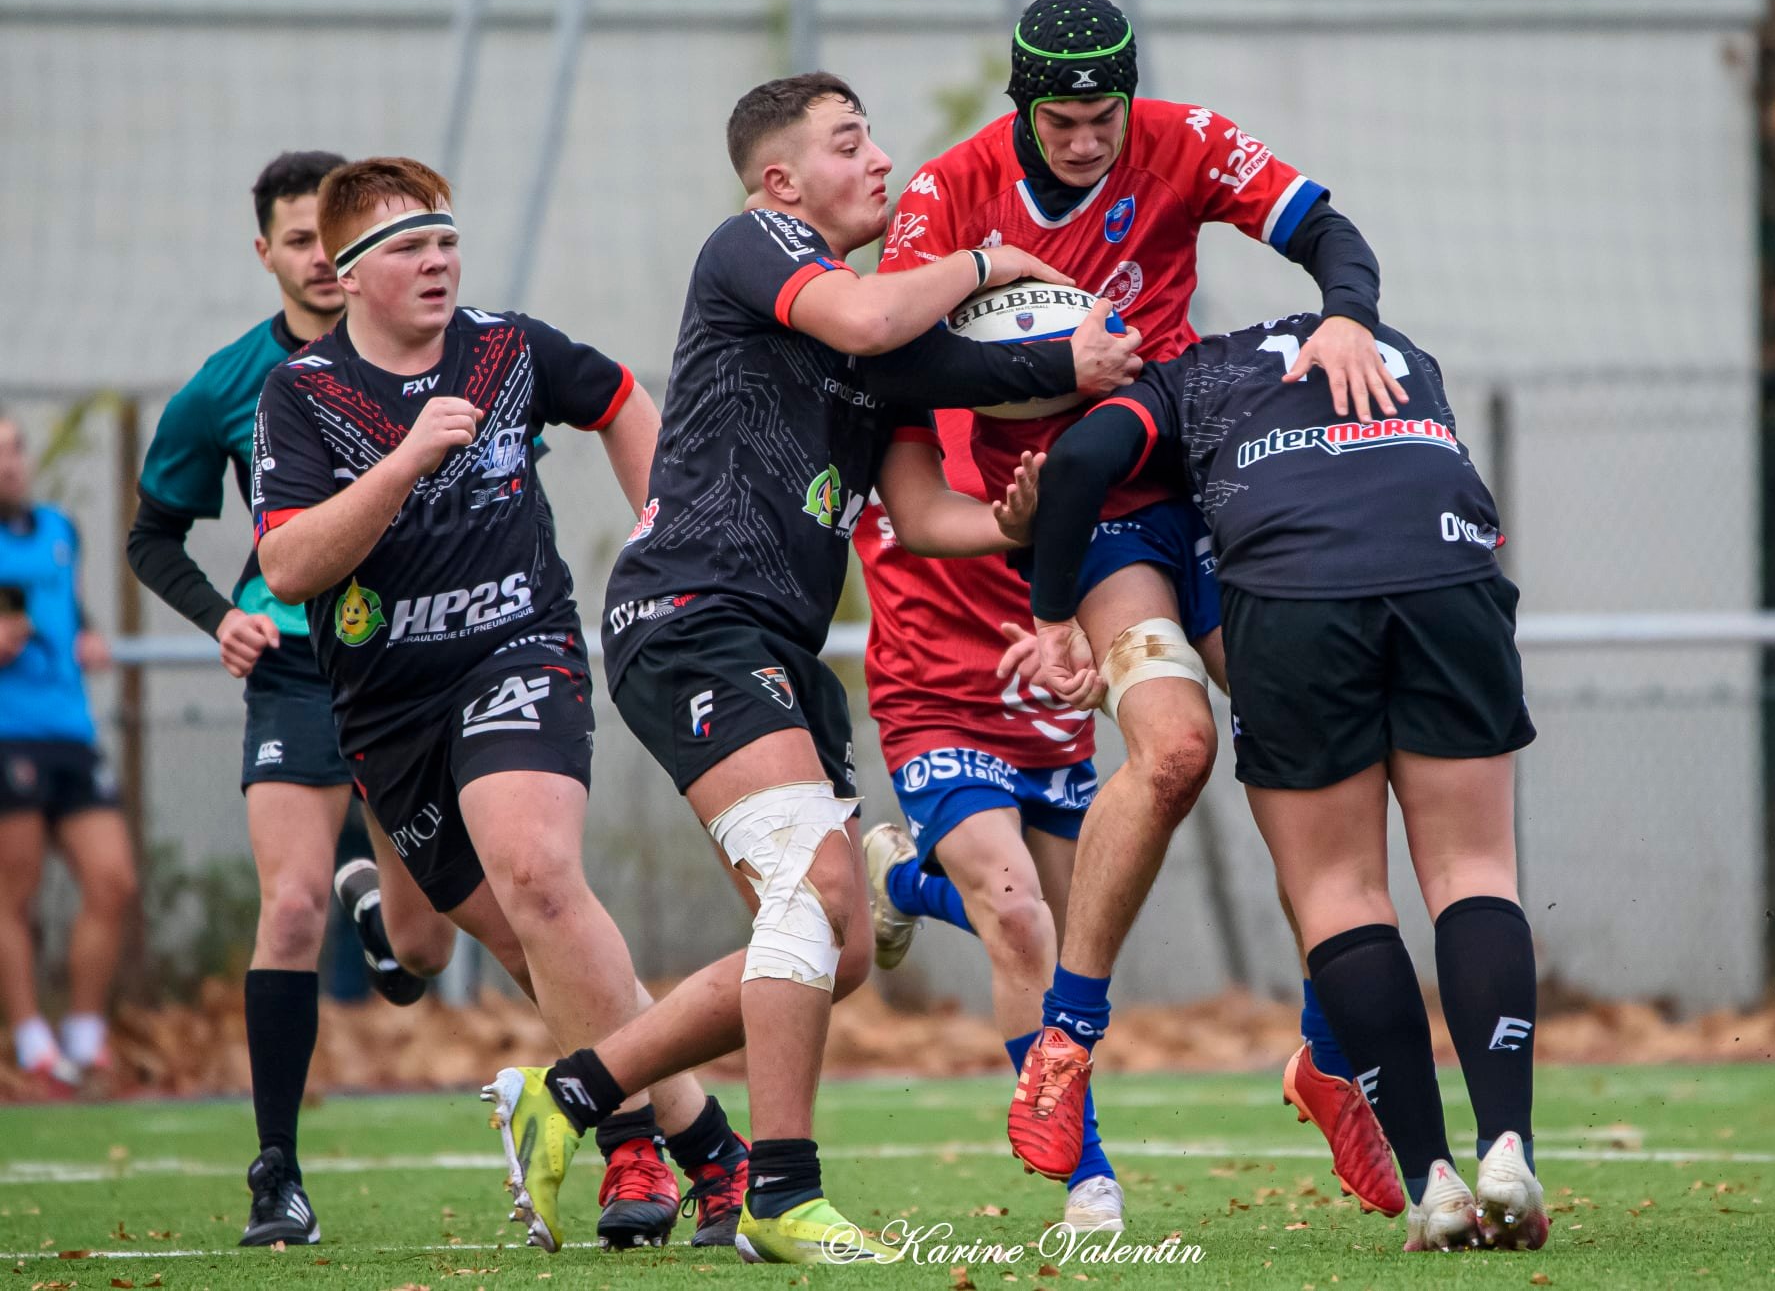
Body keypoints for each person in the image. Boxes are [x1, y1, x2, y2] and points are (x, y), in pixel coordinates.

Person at [479, 71, 1142, 1266]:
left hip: (770, 645)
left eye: (875, 138)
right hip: (692, 612)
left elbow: (928, 511)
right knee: (819, 887)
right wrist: (994, 259)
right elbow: (872, 320)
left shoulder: (880, 343)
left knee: (831, 947)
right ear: (783, 180)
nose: (881, 160)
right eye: (851, 143)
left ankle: (571, 1092)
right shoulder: (758, 245)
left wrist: (1029, 505)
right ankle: (781, 1192)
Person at [868, 0, 1402, 1212]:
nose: (1085, 139)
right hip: (1090, 516)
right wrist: (1051, 366)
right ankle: (1067, 1036)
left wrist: (1348, 320)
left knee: (1322, 742)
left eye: (1101, 114)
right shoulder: (949, 193)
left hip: (1212, 478)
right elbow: (895, 359)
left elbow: (1329, 232)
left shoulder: (1185, 138)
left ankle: (1327, 1054)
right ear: (1023, 106)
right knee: (1172, 755)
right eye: (1060, 121)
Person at [250, 156, 748, 1253]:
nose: (438, 263)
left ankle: (625, 1147)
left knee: (541, 879)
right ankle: (713, 1151)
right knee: (544, 952)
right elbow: (288, 568)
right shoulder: (301, 396)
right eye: (409, 248)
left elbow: (620, 397)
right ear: (345, 271)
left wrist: (667, 542)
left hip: (517, 653)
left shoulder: (506, 347)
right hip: (388, 714)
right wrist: (403, 460)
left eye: (445, 240)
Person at [1026, 313, 1547, 1253]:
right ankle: (1507, 1144)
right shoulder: (1396, 350)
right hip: (1447, 569)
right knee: (1474, 872)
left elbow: (1074, 467)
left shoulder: (1183, 378)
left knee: (1340, 894)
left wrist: (1056, 616)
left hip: (1297, 601)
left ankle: (1434, 1181)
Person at [127, 150, 455, 1245]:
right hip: (301, 670)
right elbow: (151, 534)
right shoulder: (228, 385)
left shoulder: (440, 356)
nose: (323, 257)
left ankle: (390, 913)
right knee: (292, 907)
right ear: (265, 251)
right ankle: (277, 1175)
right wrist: (223, 612)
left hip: (417, 664)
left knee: (423, 958)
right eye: (301, 238)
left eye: (337, 234)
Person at [855, 414, 1120, 1231]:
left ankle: (902, 882)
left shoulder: (1063, 390)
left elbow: (1130, 550)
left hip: (1047, 700)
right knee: (1015, 914)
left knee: (1069, 947)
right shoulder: (873, 398)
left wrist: (1101, 653)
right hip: (932, 703)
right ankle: (1089, 1174)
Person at [0, 411, 135, 1099]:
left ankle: (85, 1034)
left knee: (112, 879)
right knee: (14, 894)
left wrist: (85, 632)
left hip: (72, 732)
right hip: (8, 734)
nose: (10, 465)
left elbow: (64, 604)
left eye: (14, 451)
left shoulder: (58, 530)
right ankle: (32, 1041)